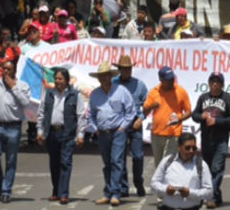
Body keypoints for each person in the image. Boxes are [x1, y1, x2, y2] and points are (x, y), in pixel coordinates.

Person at [89, 62, 136, 206]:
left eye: (106, 75)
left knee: (116, 161)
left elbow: (131, 110)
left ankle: (115, 193)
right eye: (101, 76)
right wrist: (95, 127)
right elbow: (91, 114)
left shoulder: (121, 91)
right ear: (98, 78)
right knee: (107, 163)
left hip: (117, 131)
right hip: (102, 132)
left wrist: (123, 127)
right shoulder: (95, 94)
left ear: (110, 76)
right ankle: (108, 192)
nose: (103, 78)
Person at [37, 68, 86, 205]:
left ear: (67, 80)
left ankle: (64, 193)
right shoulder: (48, 94)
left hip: (67, 134)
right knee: (54, 163)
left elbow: (81, 116)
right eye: (56, 78)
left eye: (60, 79)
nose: (58, 81)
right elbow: (41, 113)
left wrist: (80, 134)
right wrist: (40, 132)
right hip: (51, 133)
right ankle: (56, 190)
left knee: (65, 163)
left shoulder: (75, 95)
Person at [0, 61, 31, 203]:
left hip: (13, 127)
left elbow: (25, 102)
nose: (6, 71)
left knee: (11, 160)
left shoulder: (22, 86)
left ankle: (6, 191)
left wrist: (13, 87)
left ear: (14, 71)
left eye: (9, 69)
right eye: (4, 69)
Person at [191, 72, 230, 208]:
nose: (215, 84)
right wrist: (202, 116)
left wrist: (217, 121)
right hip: (206, 139)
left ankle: (210, 196)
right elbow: (194, 115)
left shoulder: (227, 98)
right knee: (207, 169)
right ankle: (216, 196)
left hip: (221, 139)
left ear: (222, 84)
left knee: (217, 168)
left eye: (218, 82)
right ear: (209, 83)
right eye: (212, 82)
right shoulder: (203, 97)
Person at [112, 55, 149, 198]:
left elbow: (147, 104)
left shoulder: (140, 85)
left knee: (138, 156)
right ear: (119, 69)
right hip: (119, 123)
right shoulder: (114, 84)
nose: (127, 71)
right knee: (119, 156)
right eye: (124, 69)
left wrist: (141, 118)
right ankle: (123, 187)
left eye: (129, 69)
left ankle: (138, 182)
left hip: (135, 123)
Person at [143, 67, 192, 170]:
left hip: (174, 134)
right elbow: (144, 111)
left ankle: (168, 184)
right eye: (168, 80)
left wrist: (179, 119)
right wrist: (152, 106)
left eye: (172, 79)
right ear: (161, 80)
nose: (171, 82)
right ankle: (160, 184)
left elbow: (189, 112)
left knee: (168, 163)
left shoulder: (180, 91)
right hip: (157, 134)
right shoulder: (154, 92)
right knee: (158, 163)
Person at [150, 132, 213, 210]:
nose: (191, 151)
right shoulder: (167, 162)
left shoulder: (201, 165)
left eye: (194, 148)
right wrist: (166, 189)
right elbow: (153, 184)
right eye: (188, 148)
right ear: (179, 147)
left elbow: (209, 191)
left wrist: (190, 193)